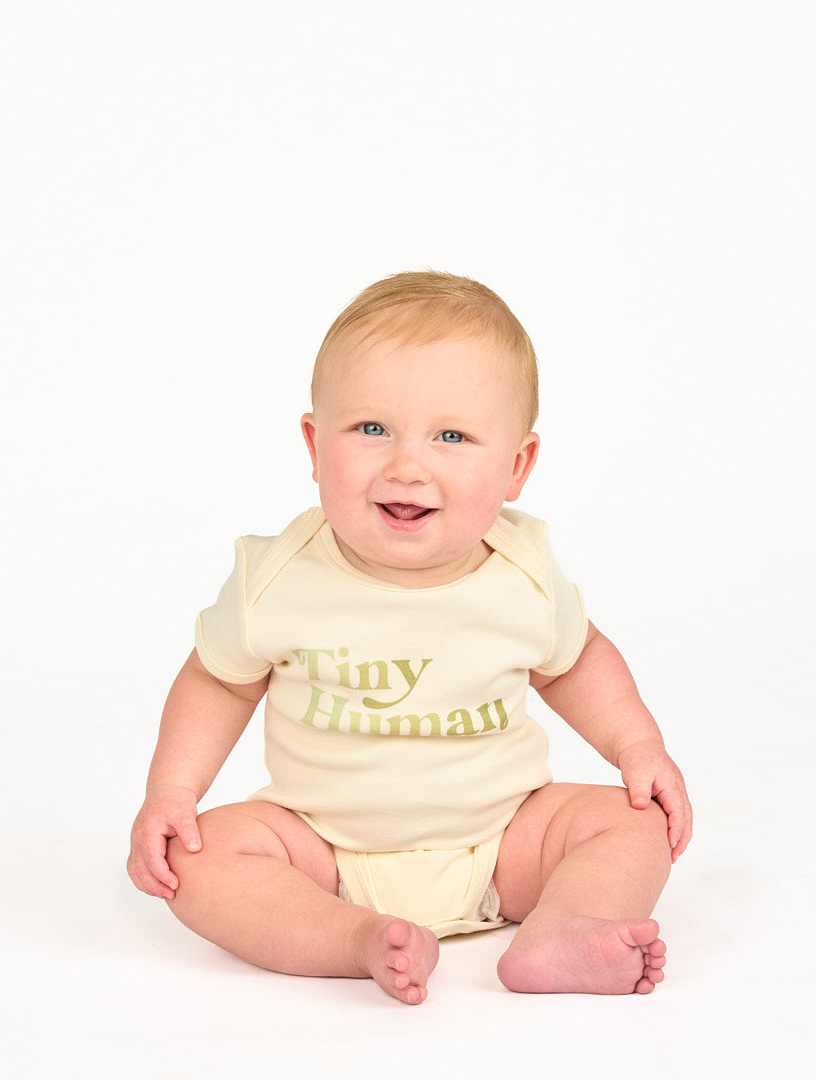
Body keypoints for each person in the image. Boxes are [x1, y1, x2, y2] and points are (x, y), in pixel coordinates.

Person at [127, 271, 692, 1005]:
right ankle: (349, 937)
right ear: (313, 443)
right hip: (321, 847)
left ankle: (561, 927)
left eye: (452, 436)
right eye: (370, 429)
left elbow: (576, 662)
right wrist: (172, 790)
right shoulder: (279, 577)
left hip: (505, 839)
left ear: (517, 466)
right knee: (199, 859)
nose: (406, 465)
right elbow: (217, 679)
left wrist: (638, 748)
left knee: (631, 821)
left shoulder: (523, 574)